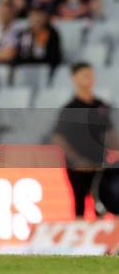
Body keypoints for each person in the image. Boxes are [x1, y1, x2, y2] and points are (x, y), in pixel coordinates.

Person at [53, 62, 115, 217]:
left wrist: (113, 155)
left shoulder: (100, 106)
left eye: (91, 75)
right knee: (79, 204)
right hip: (78, 167)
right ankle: (79, 239)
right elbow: (59, 139)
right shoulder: (70, 109)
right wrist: (78, 161)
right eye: (85, 75)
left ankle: (99, 240)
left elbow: (111, 133)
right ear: (74, 79)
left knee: (100, 205)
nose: (89, 79)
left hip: (99, 166)